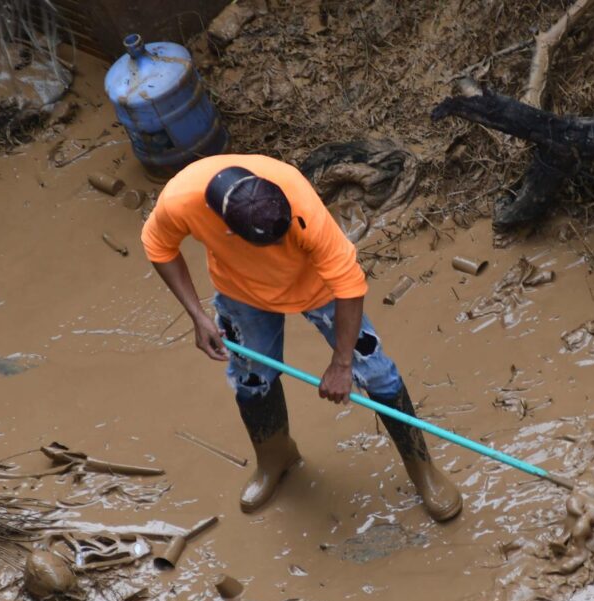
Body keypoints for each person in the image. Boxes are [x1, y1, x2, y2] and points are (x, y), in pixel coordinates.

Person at [141, 154, 463, 523]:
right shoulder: (180, 199)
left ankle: (423, 470)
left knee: (375, 372)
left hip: (318, 287)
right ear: (226, 228)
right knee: (251, 380)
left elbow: (349, 286)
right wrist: (196, 316)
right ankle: (276, 458)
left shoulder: (298, 200)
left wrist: (342, 364)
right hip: (242, 290)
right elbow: (158, 246)